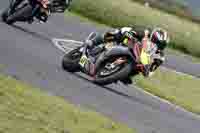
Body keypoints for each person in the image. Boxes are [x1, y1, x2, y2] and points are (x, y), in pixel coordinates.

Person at [85, 26, 170, 78]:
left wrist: (147, 69)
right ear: (152, 36)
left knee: (130, 77)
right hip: (130, 46)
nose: (157, 45)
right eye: (156, 41)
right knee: (119, 33)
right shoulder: (145, 33)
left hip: (136, 63)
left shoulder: (159, 56)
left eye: (161, 45)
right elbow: (129, 31)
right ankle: (94, 41)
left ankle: (116, 72)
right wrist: (131, 37)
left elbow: (150, 72)